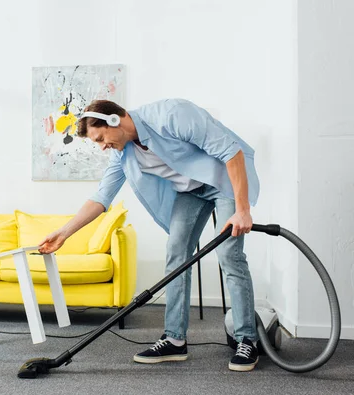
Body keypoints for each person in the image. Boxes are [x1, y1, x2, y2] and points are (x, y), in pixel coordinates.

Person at [38, 98, 260, 372]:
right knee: (176, 252)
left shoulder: (172, 115)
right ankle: (174, 339)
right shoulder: (122, 154)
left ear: (114, 121)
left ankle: (246, 338)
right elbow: (101, 197)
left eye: (100, 138)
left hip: (224, 180)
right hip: (190, 192)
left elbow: (231, 151)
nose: (102, 146)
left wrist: (242, 210)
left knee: (229, 253)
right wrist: (65, 233)